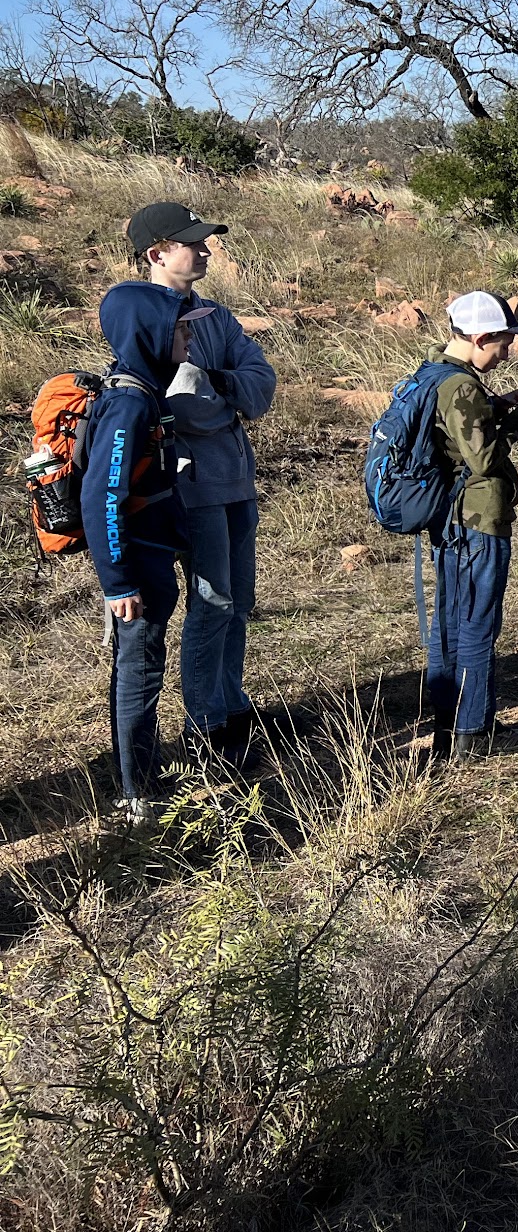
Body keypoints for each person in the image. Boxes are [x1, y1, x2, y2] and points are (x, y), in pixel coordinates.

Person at [126, 200, 277, 767]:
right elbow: (184, 409)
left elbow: (261, 385)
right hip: (195, 486)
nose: (206, 250)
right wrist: (223, 396)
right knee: (211, 602)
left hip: (236, 476)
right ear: (157, 253)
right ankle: (205, 725)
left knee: (238, 603)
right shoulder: (146, 319)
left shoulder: (216, 316)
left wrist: (216, 385)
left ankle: (230, 703)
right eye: (193, 242)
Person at [82, 282, 193, 822]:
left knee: (139, 667)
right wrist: (118, 581)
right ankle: (137, 795)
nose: (189, 336)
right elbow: (102, 493)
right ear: (150, 332)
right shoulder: (129, 401)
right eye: (180, 327)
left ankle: (135, 779)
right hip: (138, 563)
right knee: (140, 670)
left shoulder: (143, 388)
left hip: (150, 552)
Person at [427, 291, 518, 762]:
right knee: (478, 622)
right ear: (481, 337)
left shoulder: (436, 373)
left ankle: (449, 726)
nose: (506, 351)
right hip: (478, 517)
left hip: (451, 518)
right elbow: (482, 458)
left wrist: (498, 407)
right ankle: (473, 731)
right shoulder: (462, 387)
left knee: (451, 621)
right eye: (502, 342)